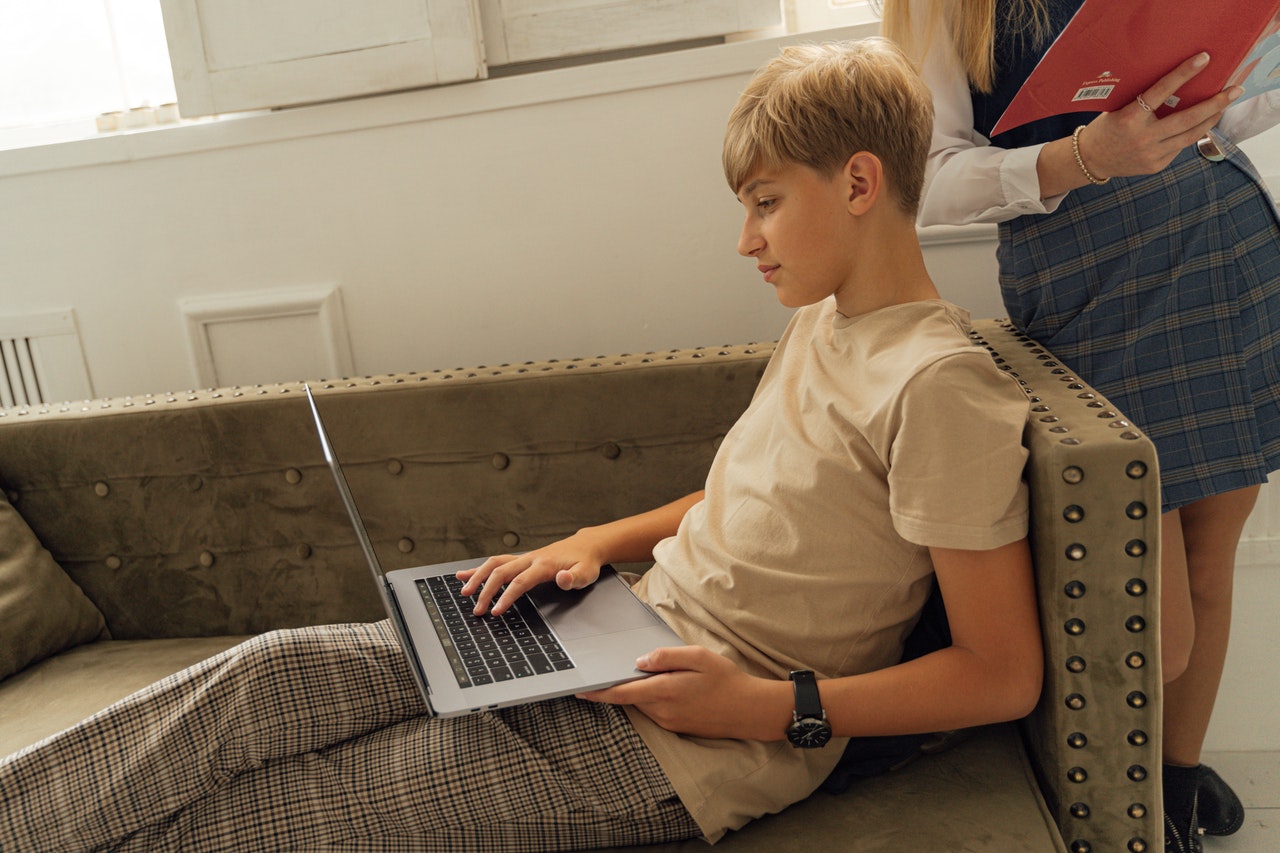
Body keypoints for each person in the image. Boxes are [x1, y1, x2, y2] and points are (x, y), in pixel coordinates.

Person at [0, 38, 1042, 852]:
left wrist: (770, 707)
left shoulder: (937, 386)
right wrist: (592, 540)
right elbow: (767, 498)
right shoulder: (823, 323)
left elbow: (999, 673)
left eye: (764, 203)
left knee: (265, 815)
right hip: (624, 627)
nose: (745, 239)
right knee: (265, 675)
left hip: (694, 743)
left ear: (858, 185)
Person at [876, 2, 1280, 850]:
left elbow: (1216, 111)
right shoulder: (937, 9)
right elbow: (930, 180)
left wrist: (1250, 88)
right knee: (1147, 612)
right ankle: (1116, 794)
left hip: (1224, 236)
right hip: (1093, 279)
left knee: (1216, 546)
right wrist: (1084, 157)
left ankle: (1174, 777)